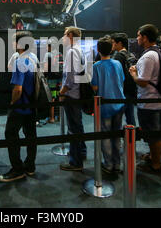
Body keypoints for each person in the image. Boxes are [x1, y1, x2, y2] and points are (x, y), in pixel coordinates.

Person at [0, 31, 37, 182]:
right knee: (31, 135)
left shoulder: (20, 61)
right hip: (32, 104)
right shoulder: (33, 58)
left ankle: (17, 169)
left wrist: (13, 103)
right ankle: (30, 166)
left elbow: (17, 88)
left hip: (20, 105)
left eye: (14, 41)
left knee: (11, 134)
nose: (13, 44)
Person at [129, 24, 161, 174]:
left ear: (144, 37)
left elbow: (143, 81)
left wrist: (133, 73)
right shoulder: (156, 52)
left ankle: (155, 164)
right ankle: (153, 157)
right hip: (156, 100)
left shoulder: (148, 56)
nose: (137, 38)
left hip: (150, 102)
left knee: (153, 135)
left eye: (138, 35)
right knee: (154, 134)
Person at [91, 36, 125, 174]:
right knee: (117, 135)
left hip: (104, 106)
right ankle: (117, 164)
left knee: (105, 135)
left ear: (98, 50)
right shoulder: (118, 64)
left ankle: (109, 164)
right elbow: (121, 80)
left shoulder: (96, 66)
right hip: (119, 103)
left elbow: (94, 87)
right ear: (111, 48)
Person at [59, 26, 86, 171]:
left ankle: (76, 162)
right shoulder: (80, 50)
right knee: (78, 126)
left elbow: (70, 78)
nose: (62, 38)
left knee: (73, 129)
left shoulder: (71, 52)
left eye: (64, 35)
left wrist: (61, 93)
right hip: (77, 94)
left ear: (69, 35)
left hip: (71, 95)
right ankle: (81, 153)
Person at [111, 32, 137, 126]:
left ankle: (118, 140)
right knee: (130, 118)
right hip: (131, 90)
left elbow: (116, 76)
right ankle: (132, 139)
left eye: (113, 42)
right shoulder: (130, 55)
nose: (112, 45)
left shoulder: (118, 56)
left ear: (119, 43)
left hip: (121, 92)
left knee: (117, 120)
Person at [41, 40, 62, 124]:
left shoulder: (47, 54)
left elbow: (45, 69)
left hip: (51, 79)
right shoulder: (60, 53)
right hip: (60, 78)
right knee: (59, 97)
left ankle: (52, 118)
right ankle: (60, 117)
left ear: (49, 46)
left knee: (52, 98)